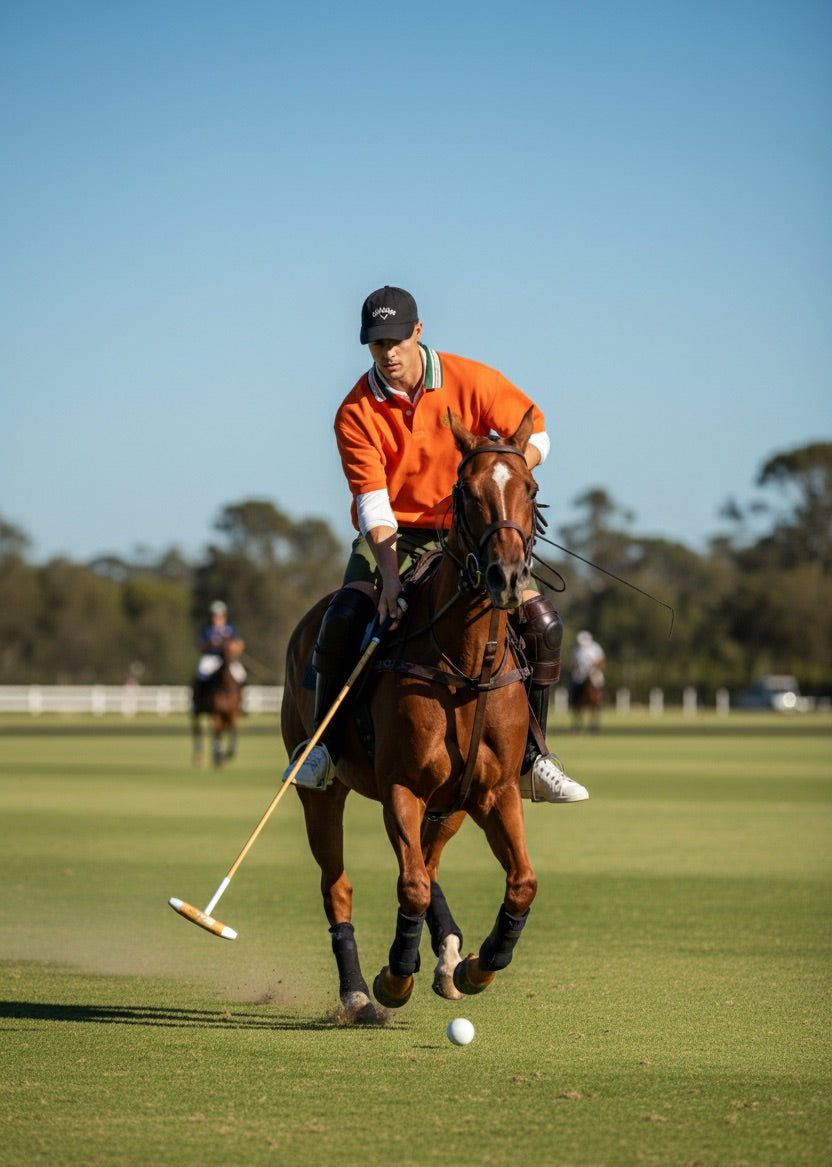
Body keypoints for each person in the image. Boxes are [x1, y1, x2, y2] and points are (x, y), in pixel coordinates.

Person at [286, 286, 588, 805]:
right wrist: (390, 578)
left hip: (470, 532)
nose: (389, 352)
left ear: (418, 334)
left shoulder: (472, 380)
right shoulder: (355, 411)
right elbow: (374, 506)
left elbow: (537, 433)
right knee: (344, 616)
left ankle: (534, 759)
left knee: (543, 625)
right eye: (377, 343)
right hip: (395, 534)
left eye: (396, 340)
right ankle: (324, 749)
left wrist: (507, 472)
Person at [192, 600, 246, 711]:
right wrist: (210, 644)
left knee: (241, 675)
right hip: (211, 658)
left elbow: (240, 645)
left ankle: (240, 704)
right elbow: (200, 646)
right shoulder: (207, 629)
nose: (217, 618)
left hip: (227, 659)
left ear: (224, 615)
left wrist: (231, 646)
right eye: (215, 615)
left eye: (219, 615)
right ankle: (198, 702)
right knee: (201, 674)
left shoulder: (230, 628)